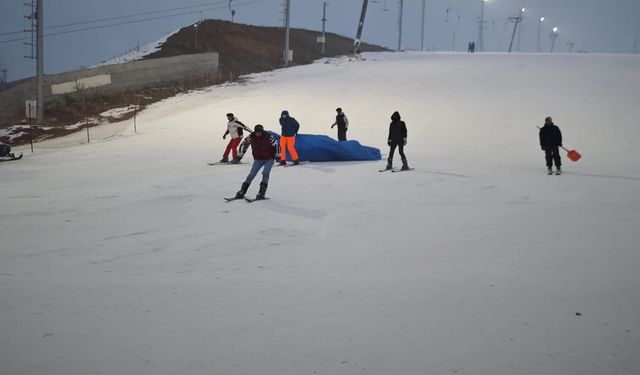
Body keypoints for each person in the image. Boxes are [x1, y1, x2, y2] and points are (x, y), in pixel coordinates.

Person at [232, 124, 280, 200]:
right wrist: (239, 156)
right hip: (258, 159)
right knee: (251, 175)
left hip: (269, 159)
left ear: (262, 131)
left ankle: (261, 193)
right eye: (256, 132)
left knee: (265, 173)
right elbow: (244, 144)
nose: (258, 134)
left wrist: (278, 156)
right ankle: (242, 191)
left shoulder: (269, 137)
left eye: (259, 132)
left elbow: (277, 145)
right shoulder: (251, 137)